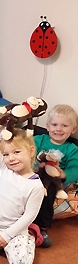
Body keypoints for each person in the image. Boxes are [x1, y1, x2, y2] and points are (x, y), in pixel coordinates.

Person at [0, 128, 45, 264]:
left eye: (17, 152)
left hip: (15, 230)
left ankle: (29, 240)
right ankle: (4, 245)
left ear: (31, 151)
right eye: (6, 154)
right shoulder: (6, 168)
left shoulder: (36, 186)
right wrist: (4, 127)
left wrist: (8, 235)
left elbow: (29, 215)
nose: (11, 158)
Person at [32, 104, 78, 247]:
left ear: (73, 129)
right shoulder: (39, 140)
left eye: (64, 126)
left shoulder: (72, 149)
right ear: (47, 126)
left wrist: (62, 173)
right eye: (54, 124)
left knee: (50, 188)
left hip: (56, 181)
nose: (58, 129)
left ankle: (42, 227)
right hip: (35, 175)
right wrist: (34, 168)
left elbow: (75, 168)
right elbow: (29, 156)